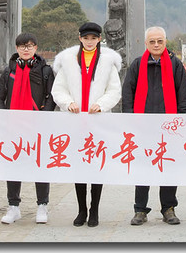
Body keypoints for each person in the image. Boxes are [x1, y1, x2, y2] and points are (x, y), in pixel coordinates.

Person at [51, 21, 123, 227]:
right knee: (79, 167)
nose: (89, 42)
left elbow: (114, 90)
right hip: (76, 121)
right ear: (80, 38)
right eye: (86, 38)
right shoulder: (68, 61)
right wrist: (68, 103)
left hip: (98, 121)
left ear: (99, 39)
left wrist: (100, 104)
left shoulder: (107, 62)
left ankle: (95, 210)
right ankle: (81, 209)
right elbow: (59, 90)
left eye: (93, 38)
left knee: (96, 167)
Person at [122, 26, 186, 226]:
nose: (156, 45)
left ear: (165, 42)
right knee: (142, 167)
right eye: (152, 41)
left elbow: (183, 94)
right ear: (146, 44)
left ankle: (168, 208)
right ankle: (140, 209)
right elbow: (128, 93)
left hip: (169, 126)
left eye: (160, 41)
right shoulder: (137, 65)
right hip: (143, 125)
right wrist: (129, 119)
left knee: (168, 166)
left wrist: (181, 120)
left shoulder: (176, 65)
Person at [0, 32, 55, 225]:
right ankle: (13, 206)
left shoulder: (45, 70)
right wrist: (6, 116)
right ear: (17, 49)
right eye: (22, 46)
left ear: (36, 48)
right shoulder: (9, 70)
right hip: (13, 127)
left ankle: (42, 205)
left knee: (39, 165)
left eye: (29, 46)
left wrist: (43, 116)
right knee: (13, 166)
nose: (26, 49)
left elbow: (52, 97)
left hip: (37, 126)